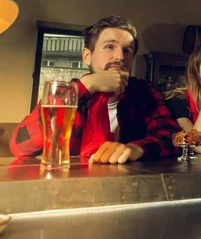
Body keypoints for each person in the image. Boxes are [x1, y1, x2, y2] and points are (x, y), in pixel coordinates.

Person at [10, 15, 180, 164]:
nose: (120, 56)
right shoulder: (66, 93)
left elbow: (172, 137)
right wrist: (87, 86)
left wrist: (136, 148)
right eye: (109, 47)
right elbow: (20, 146)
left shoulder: (144, 91)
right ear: (87, 56)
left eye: (127, 51)